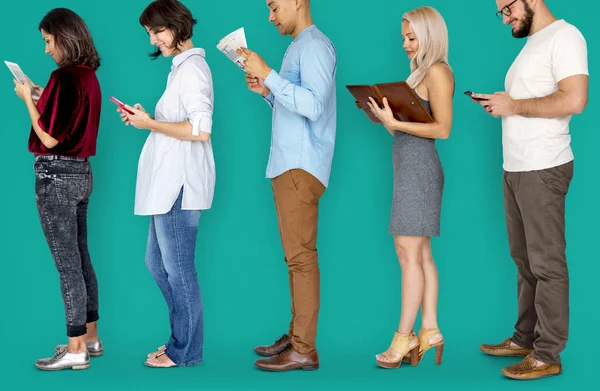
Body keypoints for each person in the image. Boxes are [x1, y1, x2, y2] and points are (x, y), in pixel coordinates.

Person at [474, 0, 588, 380]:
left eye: (507, 9)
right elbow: (526, 103)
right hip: (517, 167)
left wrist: (514, 105)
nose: (505, 18)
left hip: (543, 166)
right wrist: (504, 105)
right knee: (524, 262)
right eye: (501, 13)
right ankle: (525, 337)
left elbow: (575, 99)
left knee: (547, 265)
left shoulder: (566, 36)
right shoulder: (533, 43)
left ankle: (548, 354)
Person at [236, 0, 337, 372]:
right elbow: (297, 112)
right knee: (296, 258)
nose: (270, 16)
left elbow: (314, 106)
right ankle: (296, 337)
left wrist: (269, 74)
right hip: (289, 164)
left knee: (301, 259)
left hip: (299, 165)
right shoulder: (299, 46)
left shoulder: (313, 46)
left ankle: (304, 348)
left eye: (274, 6)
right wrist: (267, 90)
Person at [117, 0, 215, 368]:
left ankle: (185, 351)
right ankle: (180, 340)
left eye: (158, 30)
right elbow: (179, 122)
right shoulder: (180, 70)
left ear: (177, 26)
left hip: (180, 186)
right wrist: (147, 117)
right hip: (168, 185)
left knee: (179, 269)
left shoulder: (193, 70)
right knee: (157, 264)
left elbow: (200, 130)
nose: (154, 39)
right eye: (149, 33)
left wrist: (150, 125)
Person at [13, 8, 102, 371]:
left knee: (67, 265)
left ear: (64, 38)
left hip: (56, 177)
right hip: (81, 174)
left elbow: (49, 137)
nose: (47, 50)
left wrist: (28, 101)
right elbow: (68, 116)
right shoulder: (87, 77)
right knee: (80, 258)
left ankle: (75, 347)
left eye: (49, 41)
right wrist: (41, 94)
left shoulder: (63, 77)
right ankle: (91, 337)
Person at [367, 6, 453, 369]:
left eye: (412, 37)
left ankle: (404, 337)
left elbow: (443, 129)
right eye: (403, 37)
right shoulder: (417, 73)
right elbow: (406, 131)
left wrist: (395, 122)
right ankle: (430, 329)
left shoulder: (437, 71)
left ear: (429, 36)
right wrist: (384, 119)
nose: (405, 43)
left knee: (407, 252)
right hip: (407, 167)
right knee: (420, 254)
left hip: (420, 170)